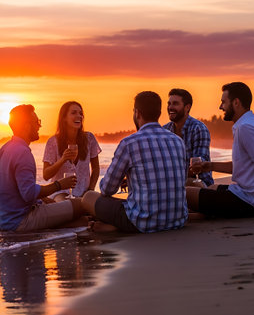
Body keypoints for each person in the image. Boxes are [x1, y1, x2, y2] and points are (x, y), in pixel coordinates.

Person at [82, 91, 188, 233]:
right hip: (177, 219)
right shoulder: (178, 141)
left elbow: (107, 189)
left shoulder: (129, 143)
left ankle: (117, 227)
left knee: (88, 197)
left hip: (143, 223)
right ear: (159, 113)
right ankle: (114, 227)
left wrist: (122, 178)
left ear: (137, 113)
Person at [186, 82, 254, 219]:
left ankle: (204, 215)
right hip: (249, 195)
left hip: (252, 201)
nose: (220, 107)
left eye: (224, 102)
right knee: (209, 188)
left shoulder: (247, 128)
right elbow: (244, 166)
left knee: (184, 193)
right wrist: (210, 166)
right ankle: (205, 213)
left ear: (236, 102)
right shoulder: (248, 123)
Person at [0, 104, 85, 232]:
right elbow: (29, 194)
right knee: (82, 204)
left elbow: (19, 190)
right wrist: (59, 185)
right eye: (37, 122)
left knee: (76, 218)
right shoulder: (22, 152)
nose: (39, 126)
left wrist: (44, 199)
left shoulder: (5, 148)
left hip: (5, 221)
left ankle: (83, 224)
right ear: (26, 126)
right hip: (22, 220)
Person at [42, 101, 101, 200]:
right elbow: (46, 175)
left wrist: (90, 190)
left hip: (85, 193)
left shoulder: (89, 138)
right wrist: (63, 159)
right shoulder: (53, 142)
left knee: (100, 205)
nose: (79, 116)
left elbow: (95, 168)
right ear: (64, 118)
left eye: (80, 113)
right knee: (65, 205)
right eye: (74, 113)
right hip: (60, 193)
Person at [163, 88, 213, 187]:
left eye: (175, 104)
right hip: (173, 183)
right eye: (169, 104)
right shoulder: (164, 130)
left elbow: (197, 167)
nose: (170, 107)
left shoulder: (198, 128)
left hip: (198, 184)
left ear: (187, 107)